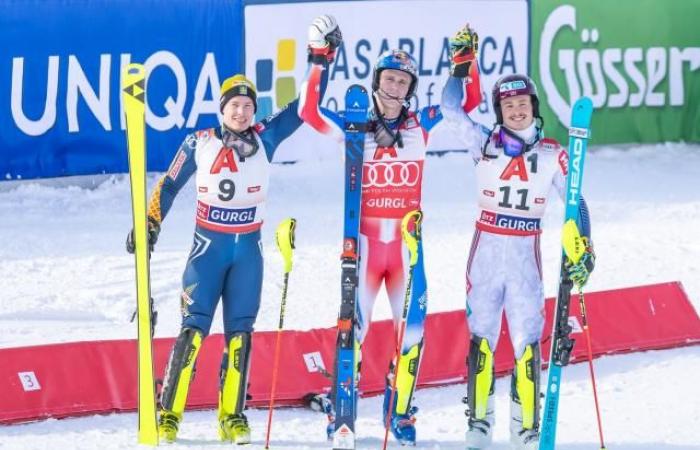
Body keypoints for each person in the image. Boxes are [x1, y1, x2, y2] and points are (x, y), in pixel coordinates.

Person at [125, 15, 342, 444]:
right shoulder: (199, 142)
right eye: (233, 105)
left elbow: (305, 108)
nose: (241, 111)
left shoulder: (267, 137)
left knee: (240, 337)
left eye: (247, 105)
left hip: (248, 252)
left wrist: (321, 59)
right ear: (221, 109)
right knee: (192, 333)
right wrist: (148, 223)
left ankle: (232, 416)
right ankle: (168, 414)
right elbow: (168, 185)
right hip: (208, 249)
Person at [299, 36, 479, 445]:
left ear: (410, 88)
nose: (395, 87)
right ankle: (342, 409)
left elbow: (463, 104)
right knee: (353, 332)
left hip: (406, 251)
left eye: (403, 81)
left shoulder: (421, 124)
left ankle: (400, 413)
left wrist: (464, 65)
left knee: (412, 335)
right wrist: (318, 58)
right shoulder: (354, 123)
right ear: (377, 80)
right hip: (364, 249)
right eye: (389, 79)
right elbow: (308, 112)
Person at [441, 25, 595, 450]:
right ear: (499, 110)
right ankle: (479, 421)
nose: (516, 111)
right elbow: (449, 110)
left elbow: (576, 202)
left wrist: (585, 246)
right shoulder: (483, 143)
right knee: (482, 339)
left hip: (527, 253)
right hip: (487, 250)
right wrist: (459, 69)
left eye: (522, 103)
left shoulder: (552, 153)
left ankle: (525, 426)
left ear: (533, 105)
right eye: (508, 105)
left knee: (528, 342)